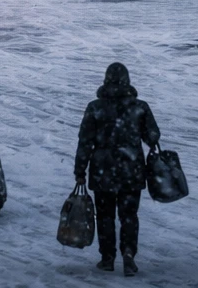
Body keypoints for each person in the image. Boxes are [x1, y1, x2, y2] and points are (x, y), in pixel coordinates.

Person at [74, 63, 160, 277]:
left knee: (105, 215)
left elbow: (85, 141)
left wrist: (80, 171)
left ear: (106, 80)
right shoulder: (140, 106)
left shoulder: (95, 107)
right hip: (131, 169)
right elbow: (153, 137)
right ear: (127, 80)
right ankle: (129, 253)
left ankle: (108, 258)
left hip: (103, 169)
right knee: (129, 215)